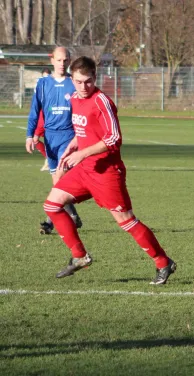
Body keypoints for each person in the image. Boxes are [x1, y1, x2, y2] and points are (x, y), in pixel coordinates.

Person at [43, 56, 176, 284]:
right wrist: (71, 148)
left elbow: (114, 138)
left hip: (107, 173)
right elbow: (84, 131)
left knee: (126, 220)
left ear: (95, 77)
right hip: (85, 169)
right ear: (71, 79)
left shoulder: (101, 101)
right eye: (78, 81)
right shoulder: (75, 98)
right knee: (52, 205)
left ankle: (163, 262)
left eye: (88, 81)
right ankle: (80, 256)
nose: (83, 87)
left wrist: (82, 153)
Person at [26, 47, 83, 235]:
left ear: (69, 61)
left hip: (68, 137)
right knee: (57, 184)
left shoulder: (74, 83)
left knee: (59, 180)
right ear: (53, 61)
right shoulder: (42, 84)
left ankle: (51, 222)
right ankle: (72, 215)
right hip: (49, 138)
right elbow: (35, 111)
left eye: (65, 60)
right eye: (59, 60)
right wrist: (30, 134)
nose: (62, 63)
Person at [34, 68, 52, 171]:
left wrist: (50, 109)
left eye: (47, 76)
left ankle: (50, 160)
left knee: (37, 138)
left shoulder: (54, 87)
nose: (46, 78)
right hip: (41, 115)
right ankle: (49, 159)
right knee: (35, 139)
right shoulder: (39, 86)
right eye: (44, 76)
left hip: (49, 116)